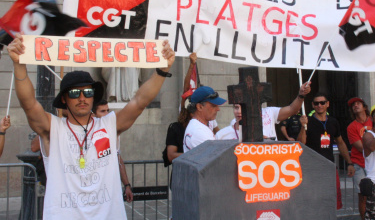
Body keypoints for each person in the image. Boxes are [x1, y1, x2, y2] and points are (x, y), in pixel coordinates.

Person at [7, 34, 175, 219]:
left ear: (93, 96)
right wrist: (18, 65)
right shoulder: (52, 128)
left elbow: (139, 101)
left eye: (87, 92)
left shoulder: (109, 124)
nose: (82, 98)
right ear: (64, 98)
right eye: (74, 93)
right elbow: (29, 104)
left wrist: (162, 70)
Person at [297, 92, 355, 210]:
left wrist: (349, 163)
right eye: (316, 103)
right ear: (313, 105)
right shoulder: (308, 122)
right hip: (312, 167)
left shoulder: (333, 122)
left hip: (329, 166)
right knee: (313, 200)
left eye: (322, 103)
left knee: (331, 200)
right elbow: (301, 144)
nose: (319, 105)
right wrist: (303, 127)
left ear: (327, 104)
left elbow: (340, 142)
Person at [216, 82, 311, 141]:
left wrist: (301, 95)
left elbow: (292, 109)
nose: (239, 111)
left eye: (243, 107)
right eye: (236, 107)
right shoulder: (232, 126)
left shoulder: (269, 112)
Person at [92, 100, 133, 203]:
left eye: (108, 111)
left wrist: (127, 185)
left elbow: (118, 158)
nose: (107, 114)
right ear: (93, 115)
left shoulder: (112, 131)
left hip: (110, 188)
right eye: (102, 111)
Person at [346, 97, 371, 220]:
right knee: (363, 196)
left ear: (365, 107)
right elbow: (361, 148)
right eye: (353, 105)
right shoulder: (351, 127)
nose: (355, 106)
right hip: (359, 164)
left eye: (358, 103)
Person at [183, 86, 226, 152]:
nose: (218, 109)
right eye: (213, 106)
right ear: (200, 107)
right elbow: (218, 157)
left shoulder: (197, 126)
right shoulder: (198, 131)